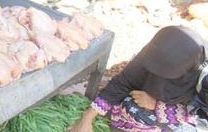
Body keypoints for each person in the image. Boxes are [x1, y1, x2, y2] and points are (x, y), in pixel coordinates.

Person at [71, 26, 208, 132]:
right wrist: (87, 117)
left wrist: (159, 106)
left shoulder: (204, 78)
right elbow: (124, 81)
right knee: (129, 106)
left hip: (187, 115)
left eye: (166, 72)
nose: (158, 76)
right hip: (146, 103)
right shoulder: (156, 50)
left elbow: (203, 120)